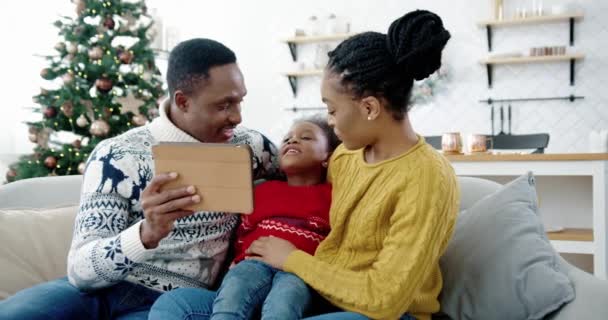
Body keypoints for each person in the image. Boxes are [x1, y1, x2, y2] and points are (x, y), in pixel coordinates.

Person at [150, 10, 459, 320]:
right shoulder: (345, 157)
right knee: (176, 306)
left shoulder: (427, 178)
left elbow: (385, 300)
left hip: (380, 313)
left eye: (332, 109)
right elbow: (295, 188)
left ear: (369, 108)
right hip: (318, 296)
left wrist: (293, 260)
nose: (329, 120)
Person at [0, 38, 278, 320]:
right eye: (223, 105)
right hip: (97, 292)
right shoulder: (117, 156)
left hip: (174, 303)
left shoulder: (251, 149)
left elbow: (309, 179)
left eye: (239, 100)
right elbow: (80, 272)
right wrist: (146, 233)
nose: (237, 116)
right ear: (182, 101)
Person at [211, 115, 340, 320]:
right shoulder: (263, 191)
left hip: (300, 271)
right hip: (254, 263)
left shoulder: (334, 197)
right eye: (287, 138)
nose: (292, 140)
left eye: (306, 137)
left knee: (284, 302)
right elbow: (244, 233)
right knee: (234, 289)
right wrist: (238, 260)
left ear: (328, 157)